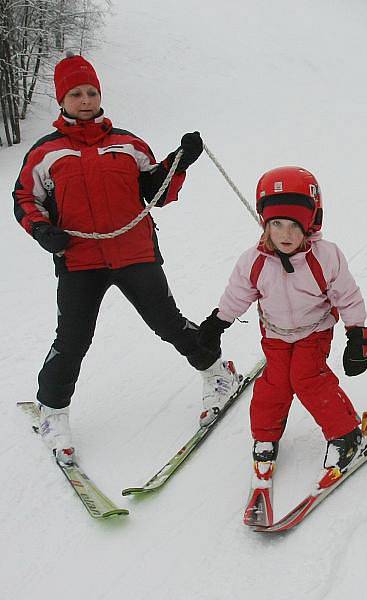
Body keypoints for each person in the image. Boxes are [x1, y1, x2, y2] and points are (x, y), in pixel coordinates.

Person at [12, 53, 239, 465]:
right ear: (62, 100)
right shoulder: (47, 152)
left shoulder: (128, 144)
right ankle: (52, 410)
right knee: (73, 340)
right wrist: (44, 230)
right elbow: (25, 198)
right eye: (76, 93)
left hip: (135, 252)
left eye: (92, 92)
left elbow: (157, 191)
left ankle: (218, 373)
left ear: (100, 95)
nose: (85, 100)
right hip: (79, 260)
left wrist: (180, 160)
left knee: (167, 323)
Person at [197, 166, 367, 491]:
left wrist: (357, 336)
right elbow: (237, 295)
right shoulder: (254, 261)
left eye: (294, 225)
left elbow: (347, 296)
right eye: (276, 224)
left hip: (315, 330)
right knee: (274, 384)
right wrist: (216, 323)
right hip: (276, 333)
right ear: (265, 224)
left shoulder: (325, 257)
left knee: (307, 379)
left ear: (310, 223)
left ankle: (347, 434)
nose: (286, 234)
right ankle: (265, 438)